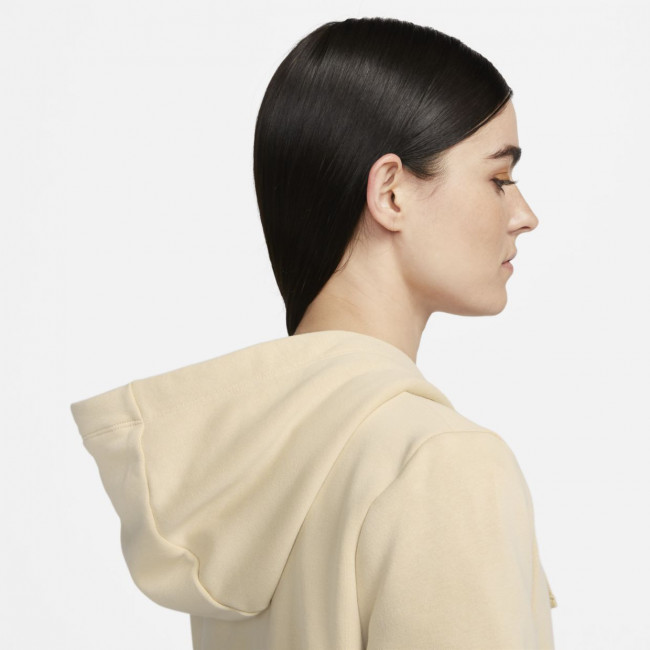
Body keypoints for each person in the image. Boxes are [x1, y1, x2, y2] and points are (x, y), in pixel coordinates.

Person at [70, 16, 557, 650]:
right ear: (391, 194)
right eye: (499, 179)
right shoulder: (438, 461)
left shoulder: (249, 470)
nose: (525, 215)